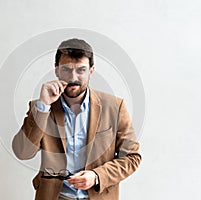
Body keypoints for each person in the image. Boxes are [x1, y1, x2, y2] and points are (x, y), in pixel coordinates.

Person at [12, 38, 141, 200]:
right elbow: (23, 152)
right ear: (56, 70)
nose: (73, 77)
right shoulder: (41, 108)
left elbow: (132, 157)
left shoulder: (114, 107)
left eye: (81, 70)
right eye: (66, 69)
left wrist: (97, 176)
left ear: (91, 71)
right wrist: (43, 107)